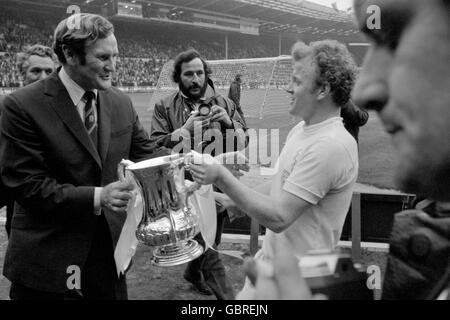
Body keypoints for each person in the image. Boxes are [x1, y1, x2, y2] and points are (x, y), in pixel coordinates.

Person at [244, 0, 450, 300]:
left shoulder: (332, 141)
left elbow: (280, 215)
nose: (364, 90)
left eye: (397, 40)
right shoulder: (431, 231)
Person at [0, 13, 167, 300]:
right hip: (48, 262)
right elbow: (26, 185)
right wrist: (98, 196)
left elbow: (146, 153)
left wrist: (197, 164)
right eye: (103, 57)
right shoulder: (21, 106)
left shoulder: (120, 101)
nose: (113, 66)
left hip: (108, 258)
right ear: (69, 54)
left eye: (115, 56)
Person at [188, 40, 359, 298]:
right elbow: (281, 184)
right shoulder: (301, 130)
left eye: (297, 81)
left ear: (323, 89)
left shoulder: (331, 146)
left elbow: (279, 217)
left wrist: (221, 176)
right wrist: (229, 201)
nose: (287, 88)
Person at [149, 48, 247, 300]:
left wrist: (229, 124)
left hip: (220, 183)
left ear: (206, 74)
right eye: (189, 74)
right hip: (186, 187)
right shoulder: (164, 106)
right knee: (210, 248)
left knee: (212, 238)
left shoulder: (225, 103)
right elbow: (153, 147)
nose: (196, 79)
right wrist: (181, 131)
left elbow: (243, 140)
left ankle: (193, 273)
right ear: (179, 77)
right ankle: (231, 301)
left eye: (200, 73)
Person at [0, 44, 58, 238]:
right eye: (35, 71)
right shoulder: (6, 110)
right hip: (22, 213)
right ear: (21, 74)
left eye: (49, 71)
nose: (43, 76)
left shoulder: (68, 111)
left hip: (61, 208)